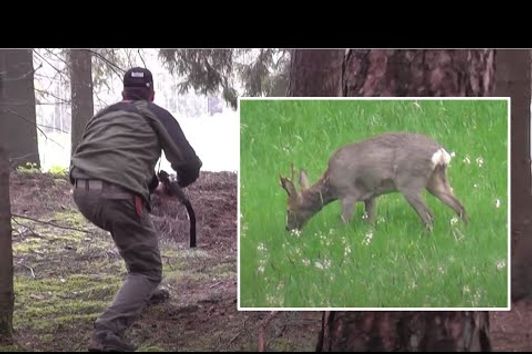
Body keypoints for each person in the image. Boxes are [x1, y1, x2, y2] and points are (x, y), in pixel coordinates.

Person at [69, 67, 202, 352]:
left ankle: (143, 292)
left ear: (123, 94)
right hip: (118, 196)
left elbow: (111, 154)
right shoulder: (155, 113)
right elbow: (189, 164)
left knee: (134, 232)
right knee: (147, 268)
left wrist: (152, 185)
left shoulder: (104, 115)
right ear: (152, 95)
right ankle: (107, 333)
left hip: (81, 191)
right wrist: (175, 184)